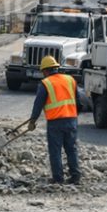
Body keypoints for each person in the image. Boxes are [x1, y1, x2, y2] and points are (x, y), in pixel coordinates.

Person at [27, 56, 80, 185]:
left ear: (45, 71)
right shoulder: (70, 79)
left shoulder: (46, 83)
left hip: (55, 122)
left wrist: (32, 121)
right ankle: (75, 176)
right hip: (71, 119)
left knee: (55, 150)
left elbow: (38, 104)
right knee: (71, 149)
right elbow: (78, 100)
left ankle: (58, 178)